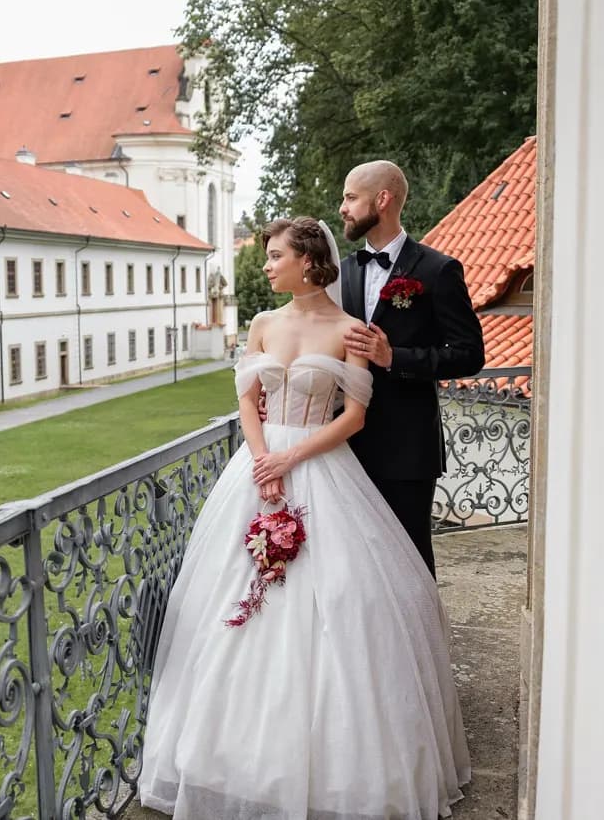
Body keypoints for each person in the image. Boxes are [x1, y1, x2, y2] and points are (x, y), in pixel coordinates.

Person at [138, 217, 470, 819]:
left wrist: (292, 456)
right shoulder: (263, 324)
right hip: (256, 471)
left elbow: (355, 418)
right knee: (227, 606)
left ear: (309, 261)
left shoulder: (351, 330)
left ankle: (330, 767)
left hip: (320, 465)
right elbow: (245, 398)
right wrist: (264, 461)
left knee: (339, 603)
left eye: (274, 256)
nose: (265, 265)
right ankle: (230, 760)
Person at [336, 160, 485, 576]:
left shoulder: (438, 271)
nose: (343, 208)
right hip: (343, 445)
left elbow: (470, 354)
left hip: (407, 449)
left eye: (350, 197)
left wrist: (394, 357)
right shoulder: (343, 273)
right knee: (354, 562)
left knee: (410, 562)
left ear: (382, 200)